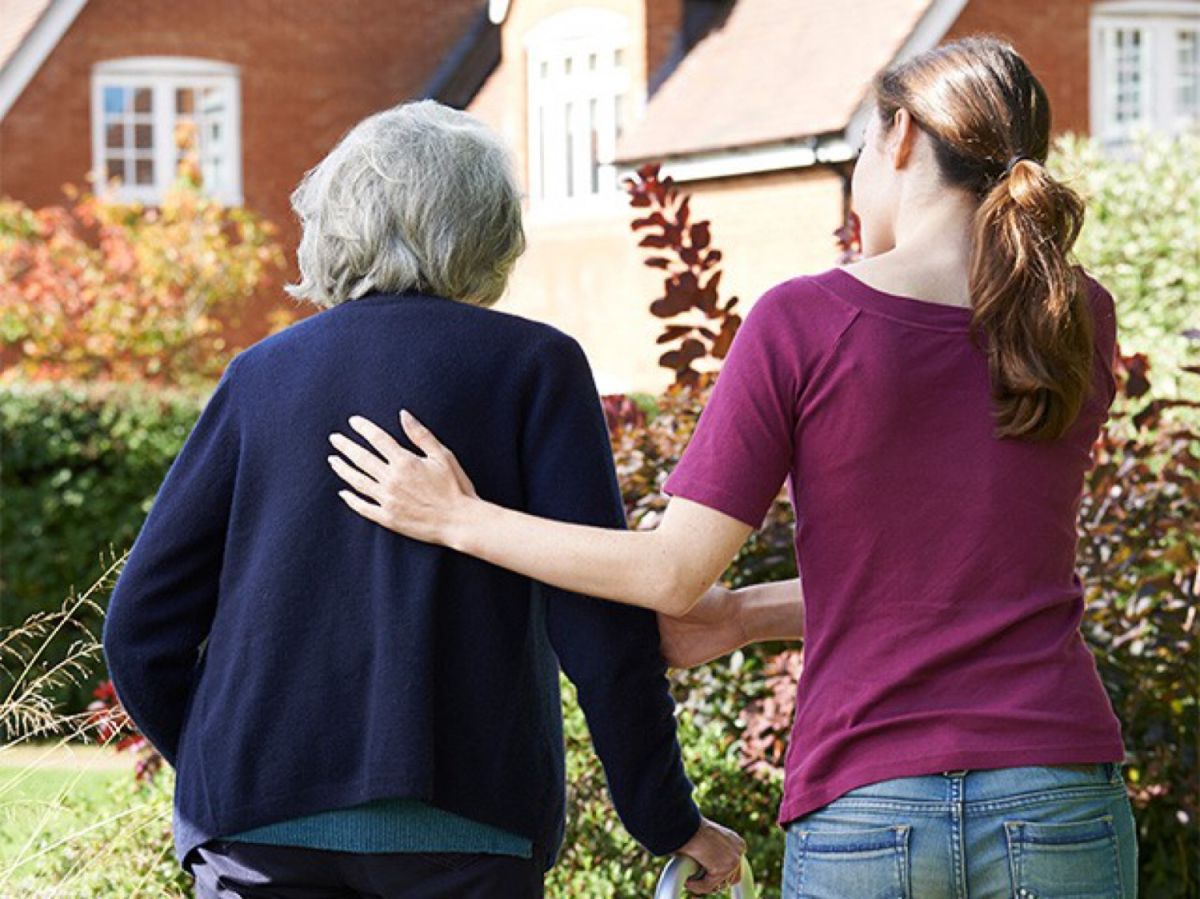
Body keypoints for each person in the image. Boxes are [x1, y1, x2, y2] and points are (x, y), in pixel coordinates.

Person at [327, 37, 1140, 897]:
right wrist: (747, 616)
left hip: (869, 799)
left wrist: (460, 517)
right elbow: (975, 580)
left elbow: (672, 573)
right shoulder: (1074, 316)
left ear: (898, 139)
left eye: (866, 142)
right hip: (1057, 785)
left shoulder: (809, 319)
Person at [101, 99, 745, 899]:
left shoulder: (259, 377)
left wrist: (230, 766)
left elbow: (139, 629)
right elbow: (600, 626)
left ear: (337, 217)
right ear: (492, 229)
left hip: (257, 830)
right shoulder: (535, 369)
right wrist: (667, 819)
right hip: (468, 831)